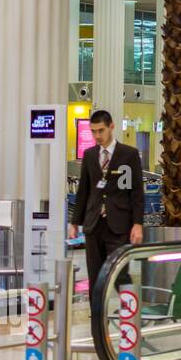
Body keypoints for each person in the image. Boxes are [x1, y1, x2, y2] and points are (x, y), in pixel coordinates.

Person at [69, 110, 145, 304]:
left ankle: (132, 319)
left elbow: (135, 192)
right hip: (94, 225)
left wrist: (137, 223)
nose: (97, 136)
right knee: (95, 277)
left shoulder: (128, 154)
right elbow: (84, 191)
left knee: (120, 275)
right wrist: (75, 222)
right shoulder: (89, 155)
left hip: (118, 225)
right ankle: (97, 325)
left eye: (100, 130)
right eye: (93, 131)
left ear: (111, 126)